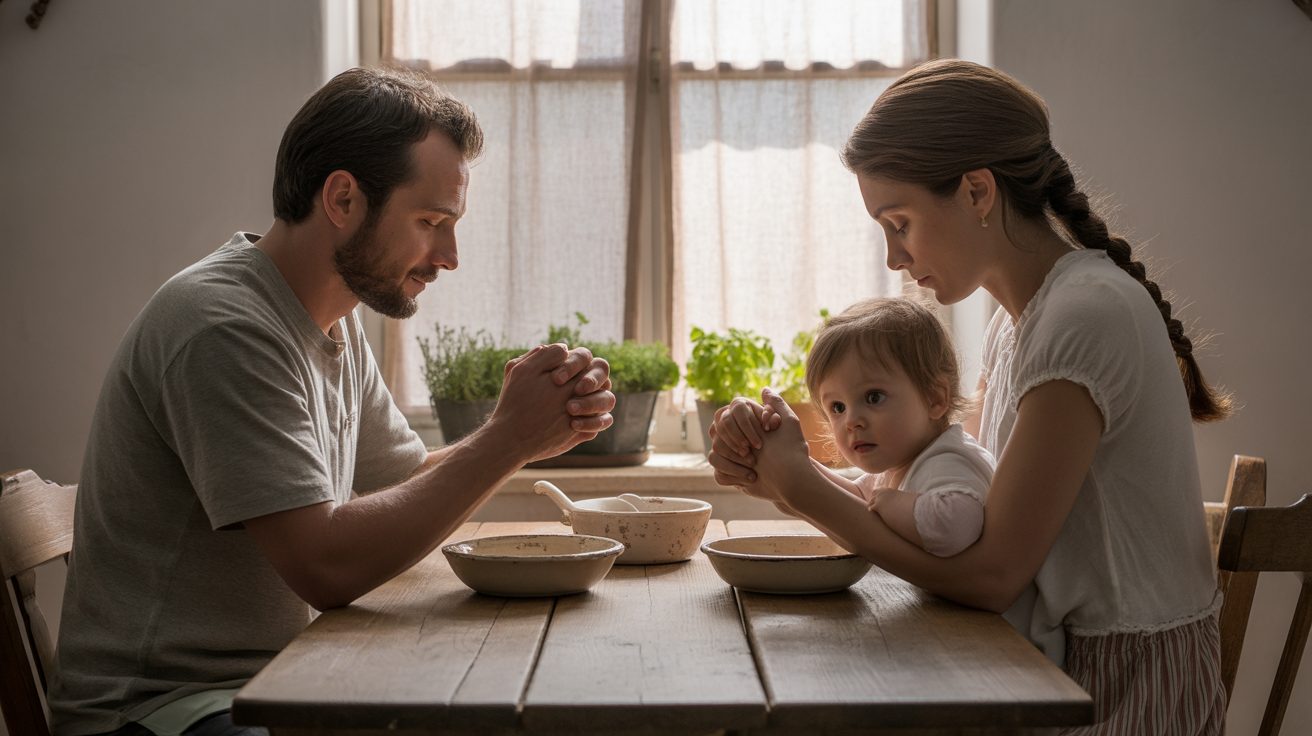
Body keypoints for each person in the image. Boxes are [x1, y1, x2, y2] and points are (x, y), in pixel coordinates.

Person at [49, 68, 615, 736]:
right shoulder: (222, 325)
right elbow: (325, 564)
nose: (450, 256)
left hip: (280, 682)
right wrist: (506, 440)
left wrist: (518, 435)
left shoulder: (328, 320)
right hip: (167, 711)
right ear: (343, 199)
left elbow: (405, 487)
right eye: (431, 221)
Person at [709, 59, 1229, 735]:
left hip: (1123, 688)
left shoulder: (1085, 317)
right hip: (1049, 668)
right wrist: (784, 479)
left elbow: (991, 577)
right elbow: (965, 532)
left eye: (899, 222)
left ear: (978, 192)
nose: (894, 257)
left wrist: (803, 489)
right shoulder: (1020, 326)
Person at [782, 297, 995, 559]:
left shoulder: (948, 460)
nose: (851, 421)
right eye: (837, 407)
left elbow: (957, 526)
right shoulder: (901, 463)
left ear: (935, 399)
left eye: (873, 397)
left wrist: (891, 504)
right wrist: (795, 463)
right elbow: (858, 498)